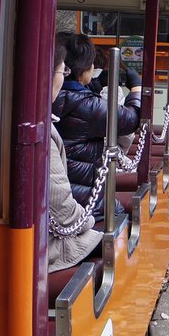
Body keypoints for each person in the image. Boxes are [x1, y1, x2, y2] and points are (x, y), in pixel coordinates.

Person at [53, 33, 142, 221]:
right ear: (83, 69)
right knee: (119, 212)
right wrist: (136, 89)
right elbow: (131, 119)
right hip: (83, 201)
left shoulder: (49, 96)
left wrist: (93, 85)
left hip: (51, 196)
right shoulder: (87, 106)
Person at [49, 39, 102, 273]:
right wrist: (136, 90)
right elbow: (64, 211)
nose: (62, 76)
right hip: (52, 238)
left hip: (71, 198)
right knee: (118, 225)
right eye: (62, 70)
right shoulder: (41, 130)